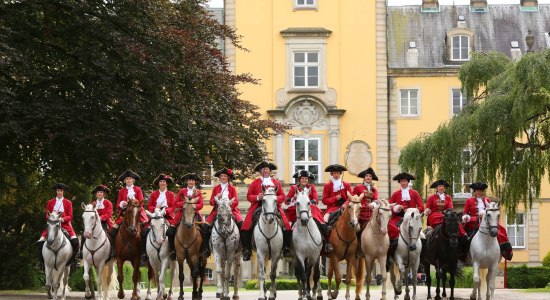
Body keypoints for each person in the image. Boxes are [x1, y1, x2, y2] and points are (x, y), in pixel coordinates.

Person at [241, 161, 291, 261]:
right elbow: (249, 196)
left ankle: (286, 248)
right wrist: (257, 197)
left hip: (274, 206)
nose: (265, 171)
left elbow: (282, 195)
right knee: (245, 225)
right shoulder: (255, 183)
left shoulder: (276, 183)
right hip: (258, 206)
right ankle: (247, 250)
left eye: (267, 169)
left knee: (286, 224)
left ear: (270, 171)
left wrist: (275, 198)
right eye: (263, 169)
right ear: (260, 171)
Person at [462, 182, 513, 261]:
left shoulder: (487, 200)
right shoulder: (469, 200)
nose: (479, 193)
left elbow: (491, 211)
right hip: (474, 223)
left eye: (480, 191)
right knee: (467, 237)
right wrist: (467, 217)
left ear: (482, 192)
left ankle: (506, 250)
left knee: (501, 230)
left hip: (487, 222)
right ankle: (464, 254)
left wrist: (485, 214)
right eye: (477, 191)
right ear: (474, 192)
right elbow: (465, 212)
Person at [286, 169, 333, 253]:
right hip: (296, 210)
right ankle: (287, 245)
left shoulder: (312, 187)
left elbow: (315, 200)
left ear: (308, 180)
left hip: (309, 210)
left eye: (306, 179)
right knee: (288, 227)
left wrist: (307, 202)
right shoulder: (293, 188)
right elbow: (287, 201)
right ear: (299, 180)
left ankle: (326, 240)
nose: (304, 180)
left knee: (313, 208)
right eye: (302, 178)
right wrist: (294, 198)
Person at [36, 183, 79, 269]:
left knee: (76, 242)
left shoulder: (68, 202)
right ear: (56, 191)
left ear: (63, 192)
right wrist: (53, 219)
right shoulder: (50, 202)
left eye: (61, 191)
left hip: (65, 225)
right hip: (52, 225)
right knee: (40, 242)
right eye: (58, 190)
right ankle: (41, 263)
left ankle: (74, 261)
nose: (59, 192)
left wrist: (62, 219)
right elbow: (47, 215)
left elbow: (70, 216)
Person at [202, 168, 243, 257]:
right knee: (205, 227)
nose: (223, 177)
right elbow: (211, 202)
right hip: (217, 211)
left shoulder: (232, 188)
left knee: (242, 225)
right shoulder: (216, 188)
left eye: (224, 176)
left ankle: (242, 247)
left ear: (228, 177)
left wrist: (228, 205)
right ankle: (206, 249)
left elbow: (236, 202)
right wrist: (216, 196)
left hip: (231, 211)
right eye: (221, 176)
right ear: (219, 178)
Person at [110, 170, 148, 257]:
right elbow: (118, 205)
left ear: (133, 180)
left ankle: (144, 251)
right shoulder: (121, 191)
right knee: (113, 231)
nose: (128, 180)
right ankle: (113, 250)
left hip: (137, 213)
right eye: (127, 179)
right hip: (124, 214)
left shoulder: (138, 189)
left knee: (145, 230)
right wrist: (122, 204)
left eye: (130, 178)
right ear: (124, 181)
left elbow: (141, 203)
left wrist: (135, 202)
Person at [388, 172, 424, 255]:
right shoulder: (395, 194)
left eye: (404, 181)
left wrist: (411, 210)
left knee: (422, 235)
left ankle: (422, 257)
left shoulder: (414, 193)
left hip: (412, 218)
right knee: (390, 232)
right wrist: (397, 208)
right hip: (398, 218)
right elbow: (389, 208)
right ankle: (390, 253)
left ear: (408, 182)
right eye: (401, 181)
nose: (403, 183)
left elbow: (422, 207)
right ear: (400, 183)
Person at [170, 173, 205, 256]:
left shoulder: (198, 192)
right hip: (182, 213)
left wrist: (193, 205)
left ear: (195, 182)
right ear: (187, 181)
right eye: (189, 180)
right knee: (170, 231)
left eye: (192, 180)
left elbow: (201, 204)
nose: (191, 182)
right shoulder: (182, 191)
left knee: (204, 229)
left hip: (194, 213)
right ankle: (173, 251)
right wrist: (185, 203)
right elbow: (176, 203)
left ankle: (203, 249)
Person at [146, 174, 176, 261]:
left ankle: (173, 251)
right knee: (144, 231)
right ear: (159, 184)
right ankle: (144, 253)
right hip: (155, 216)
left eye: (164, 181)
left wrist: (166, 210)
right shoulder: (154, 194)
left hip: (167, 216)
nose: (162, 183)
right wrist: (156, 209)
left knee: (172, 232)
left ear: (166, 184)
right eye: (161, 181)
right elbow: (149, 206)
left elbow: (173, 207)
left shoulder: (171, 194)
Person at [80, 185, 114, 258]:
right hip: (93, 223)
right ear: (96, 194)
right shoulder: (92, 203)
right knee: (84, 234)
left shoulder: (108, 203)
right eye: (98, 192)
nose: (99, 194)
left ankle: (113, 251)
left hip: (105, 222)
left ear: (104, 194)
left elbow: (109, 214)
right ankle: (81, 251)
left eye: (101, 192)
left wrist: (100, 218)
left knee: (112, 234)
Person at [352, 167, 379, 253]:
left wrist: (372, 204)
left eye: (370, 176)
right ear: (364, 177)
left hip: (371, 214)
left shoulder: (374, 189)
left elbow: (376, 199)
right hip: (360, 213)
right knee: (355, 229)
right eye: (366, 176)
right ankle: (355, 247)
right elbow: (353, 198)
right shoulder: (358, 187)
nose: (368, 177)